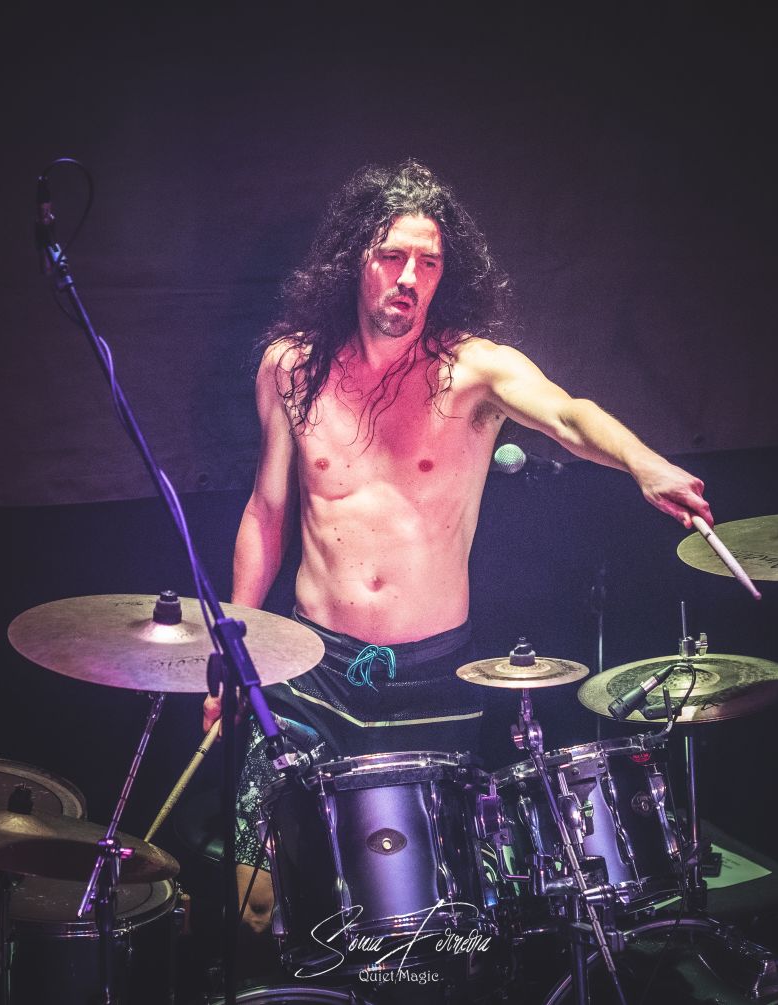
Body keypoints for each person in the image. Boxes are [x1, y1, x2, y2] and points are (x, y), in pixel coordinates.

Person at [201, 159, 713, 940]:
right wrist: (236, 644)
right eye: (392, 257)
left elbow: (568, 414)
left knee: (425, 921)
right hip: (314, 674)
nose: (410, 278)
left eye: (429, 263)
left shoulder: (473, 371)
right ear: (354, 261)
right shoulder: (292, 368)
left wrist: (643, 462)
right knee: (259, 901)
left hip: (435, 683)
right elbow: (267, 511)